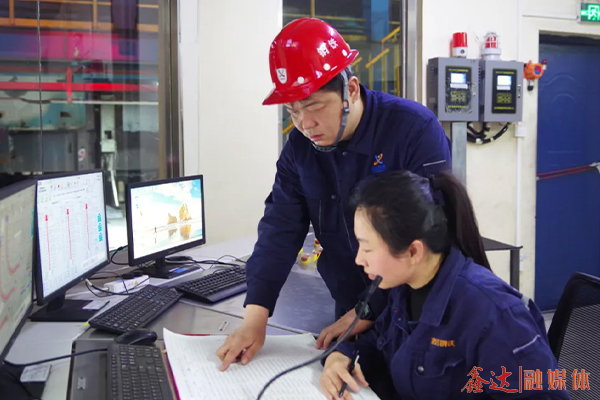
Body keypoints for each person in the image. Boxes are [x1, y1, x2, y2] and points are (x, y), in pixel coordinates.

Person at [217, 18, 451, 370]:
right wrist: (255, 318)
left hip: (413, 309)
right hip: (349, 307)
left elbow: (433, 237)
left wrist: (369, 310)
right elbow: (279, 228)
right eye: (293, 111)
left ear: (351, 90)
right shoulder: (300, 148)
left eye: (313, 106)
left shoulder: (412, 130)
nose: (304, 123)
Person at [320, 170, 570, 400]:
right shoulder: (405, 290)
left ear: (413, 251)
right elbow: (378, 343)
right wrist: (341, 357)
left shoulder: (494, 314)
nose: (359, 259)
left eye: (367, 248)